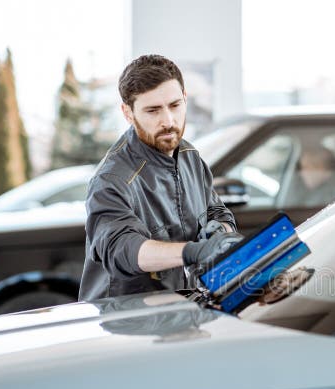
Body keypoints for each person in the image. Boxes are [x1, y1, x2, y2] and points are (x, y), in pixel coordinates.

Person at [79, 55, 242, 300]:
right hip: (124, 323)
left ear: (185, 99)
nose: (168, 121)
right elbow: (122, 249)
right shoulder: (111, 180)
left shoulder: (190, 157)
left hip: (179, 311)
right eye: (153, 110)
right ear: (128, 113)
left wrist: (220, 233)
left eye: (174, 106)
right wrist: (193, 252)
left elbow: (217, 212)